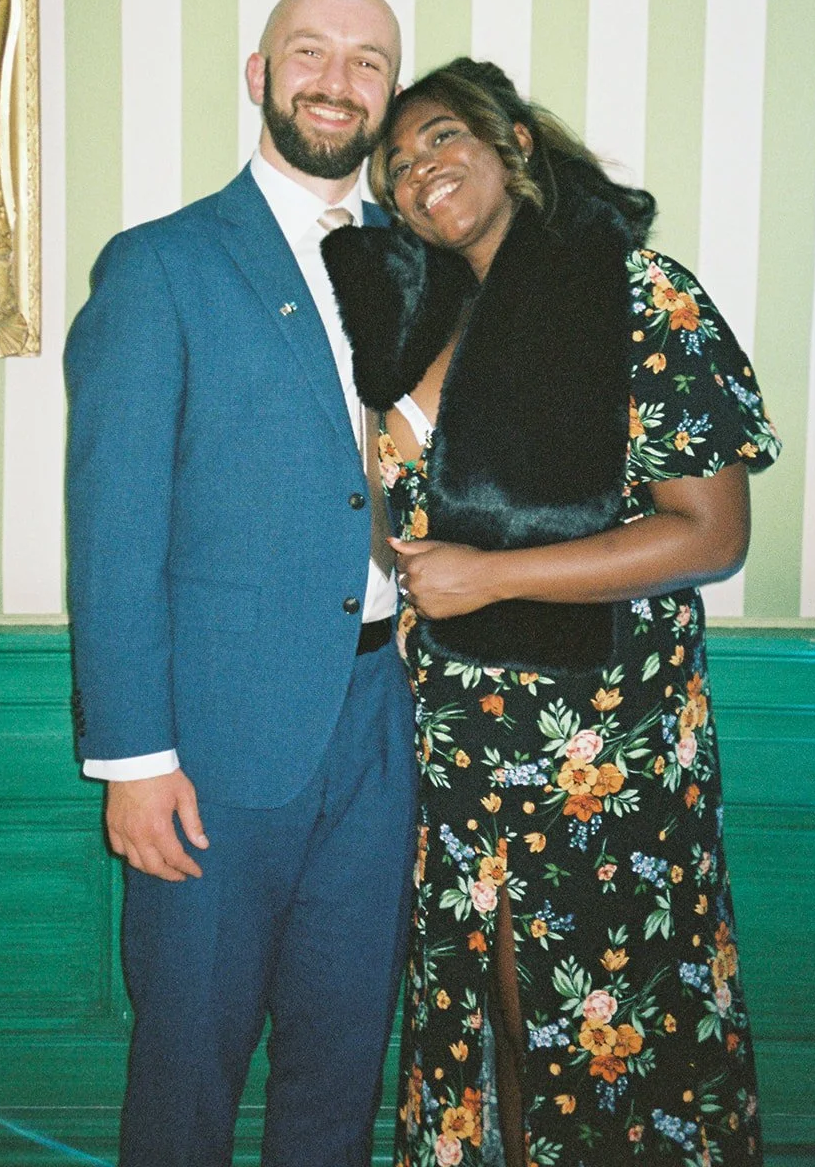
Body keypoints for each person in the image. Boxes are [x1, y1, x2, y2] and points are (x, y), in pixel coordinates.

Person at [322, 58, 780, 1167]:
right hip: (458, 738)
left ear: (514, 139)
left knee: (593, 1022)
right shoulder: (424, 323)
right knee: (489, 1015)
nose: (417, 172)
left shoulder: (636, 294)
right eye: (396, 166)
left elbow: (711, 535)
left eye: (438, 138)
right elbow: (396, 525)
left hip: (604, 744)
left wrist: (493, 575)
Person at [64, 0, 417, 1167]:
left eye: (366, 60)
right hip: (211, 745)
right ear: (257, 76)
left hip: (386, 727)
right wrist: (133, 759)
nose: (336, 79)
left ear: (390, 89)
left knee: (341, 1062)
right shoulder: (159, 267)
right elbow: (112, 531)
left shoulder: (424, 266)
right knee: (187, 1068)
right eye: (308, 52)